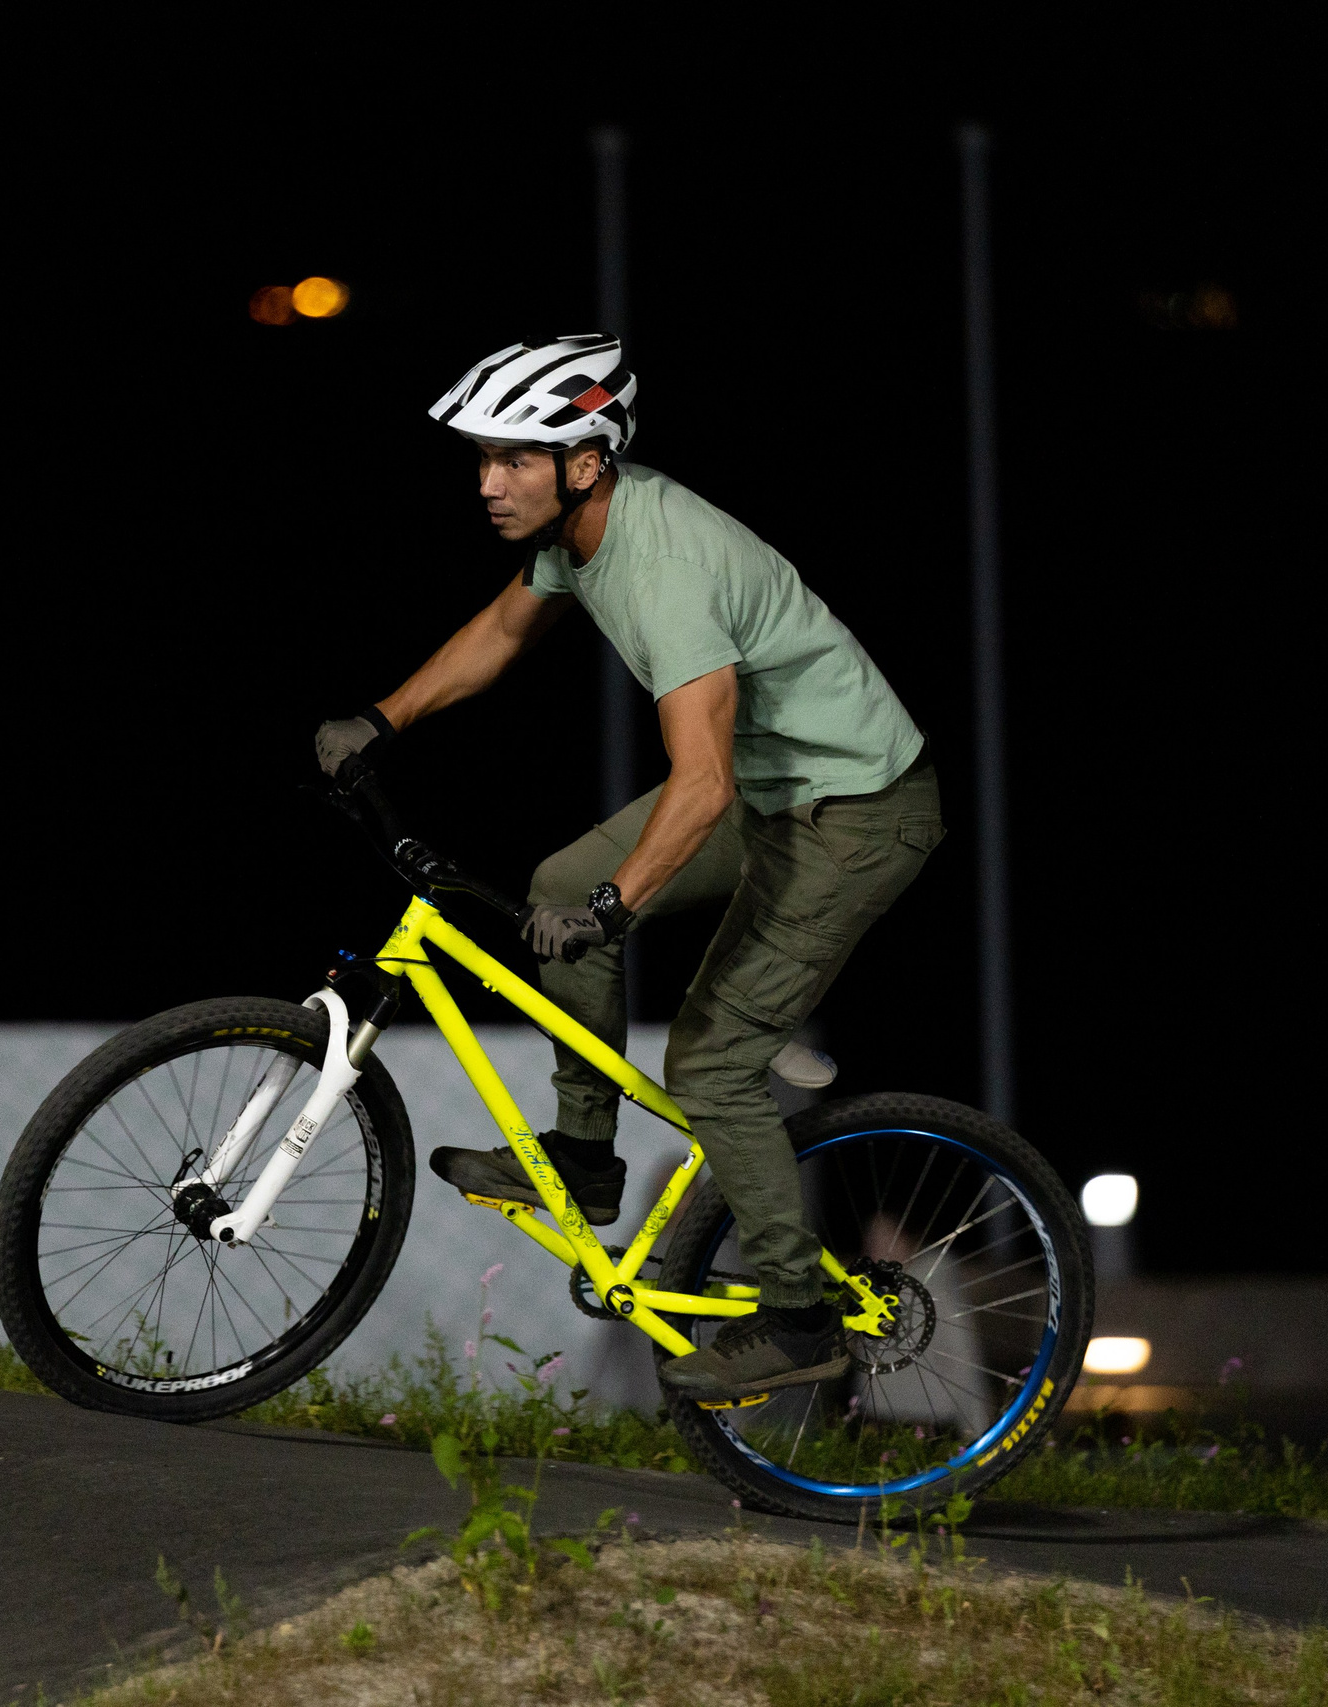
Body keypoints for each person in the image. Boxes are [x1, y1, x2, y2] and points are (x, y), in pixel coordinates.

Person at [313, 335, 942, 1404]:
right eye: (481, 458)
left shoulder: (666, 575)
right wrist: (382, 717)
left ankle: (799, 1316)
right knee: (557, 881)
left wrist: (617, 908)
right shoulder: (582, 531)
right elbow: (501, 631)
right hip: (771, 785)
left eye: (512, 459)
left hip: (856, 811)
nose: (487, 482)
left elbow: (695, 786)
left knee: (709, 1061)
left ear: (585, 463)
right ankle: (585, 1159)